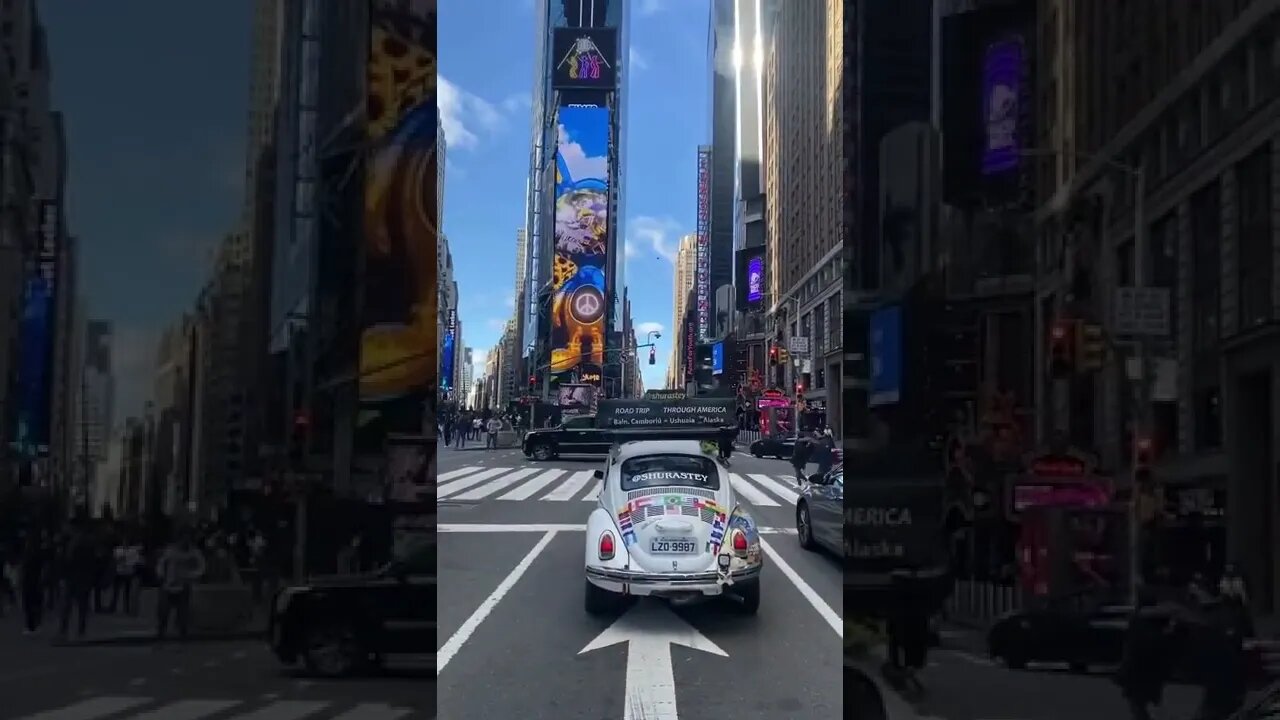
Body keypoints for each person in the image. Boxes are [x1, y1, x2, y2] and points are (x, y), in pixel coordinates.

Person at [155, 533, 207, 642]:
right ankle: (161, 631)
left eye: (187, 540)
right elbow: (161, 563)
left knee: (182, 611)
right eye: (182, 540)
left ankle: (182, 632)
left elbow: (202, 567)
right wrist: (161, 575)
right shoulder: (170, 551)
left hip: (183, 585)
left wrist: (192, 575)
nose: (184, 543)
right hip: (168, 584)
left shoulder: (194, 552)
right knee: (164, 610)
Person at [19, 532, 46, 634]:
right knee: (36, 603)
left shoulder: (29, 554)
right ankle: (36, 623)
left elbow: (25, 568)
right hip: (36, 580)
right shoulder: (38, 552)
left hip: (30, 580)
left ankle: (31, 625)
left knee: (29, 603)